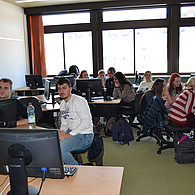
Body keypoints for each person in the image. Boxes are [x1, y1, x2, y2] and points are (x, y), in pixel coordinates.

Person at [57, 77, 94, 165]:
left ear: (70, 89)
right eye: (59, 88)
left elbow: (86, 123)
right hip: (72, 131)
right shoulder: (62, 103)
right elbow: (65, 122)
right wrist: (62, 132)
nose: (61, 91)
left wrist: (68, 135)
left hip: (85, 134)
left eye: (64, 88)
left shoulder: (79, 101)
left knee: (61, 148)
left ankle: (77, 168)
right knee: (50, 139)